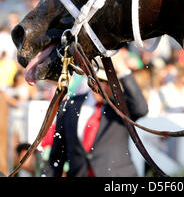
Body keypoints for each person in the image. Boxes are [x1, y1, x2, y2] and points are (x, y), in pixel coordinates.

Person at [42, 49, 148, 177]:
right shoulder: (69, 106)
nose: (103, 87)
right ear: (91, 80)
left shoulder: (120, 108)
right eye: (100, 81)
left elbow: (141, 108)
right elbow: (57, 156)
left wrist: (124, 72)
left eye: (109, 83)